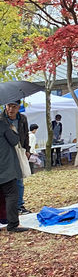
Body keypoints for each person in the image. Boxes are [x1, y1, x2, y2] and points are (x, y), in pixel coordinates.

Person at [0, 97, 30, 230]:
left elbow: (26, 136)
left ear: (18, 107)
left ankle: (16, 210)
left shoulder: (22, 119)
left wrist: (26, 149)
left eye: (14, 106)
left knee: (15, 186)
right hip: (6, 162)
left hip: (15, 156)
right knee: (12, 192)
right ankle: (12, 224)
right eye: (8, 106)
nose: (10, 109)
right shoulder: (2, 122)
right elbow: (13, 140)